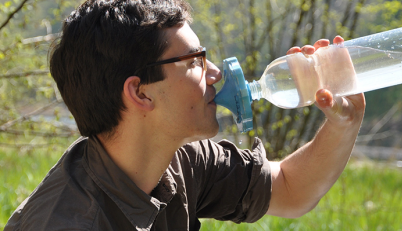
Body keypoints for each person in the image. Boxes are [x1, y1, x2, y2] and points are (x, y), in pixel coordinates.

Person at [5, 0, 365, 230]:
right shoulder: (66, 222)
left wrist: (343, 124)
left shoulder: (182, 158)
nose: (215, 75)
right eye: (195, 62)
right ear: (140, 92)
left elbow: (289, 189)